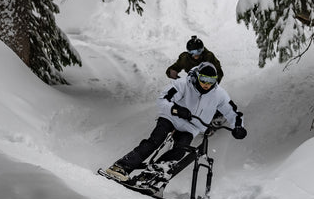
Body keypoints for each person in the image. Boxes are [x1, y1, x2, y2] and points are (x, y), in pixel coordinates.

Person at [105, 62, 246, 182]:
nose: (206, 84)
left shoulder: (219, 94)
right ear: (197, 76)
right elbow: (162, 100)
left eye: (211, 81)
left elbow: (233, 112)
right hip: (171, 117)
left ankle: (148, 177)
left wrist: (238, 126)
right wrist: (177, 109)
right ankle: (120, 167)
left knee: (179, 151)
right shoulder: (183, 84)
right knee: (156, 140)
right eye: (203, 79)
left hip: (191, 127)